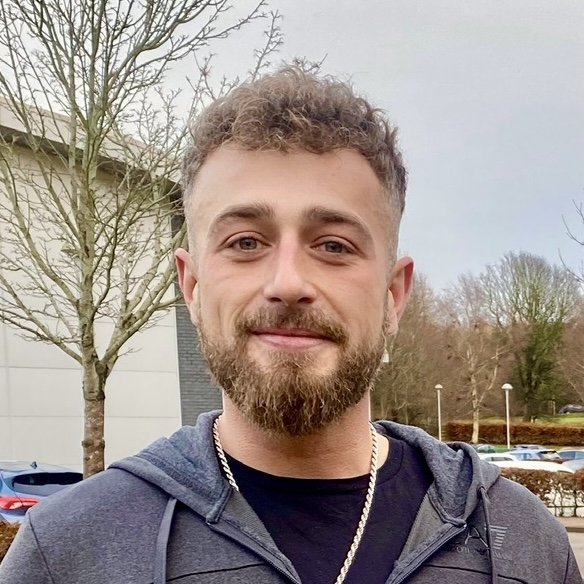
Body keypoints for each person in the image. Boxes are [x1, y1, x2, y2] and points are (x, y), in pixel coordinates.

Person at [0, 66, 580, 584]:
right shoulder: (67, 551)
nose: (287, 282)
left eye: (333, 245)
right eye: (245, 242)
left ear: (393, 295)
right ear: (192, 286)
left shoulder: (525, 546)